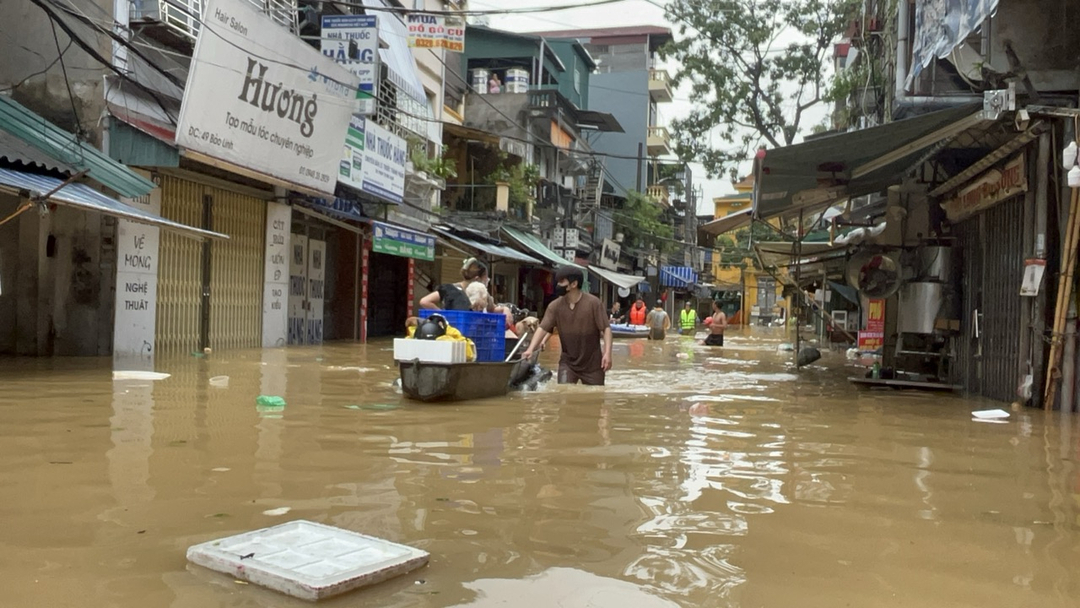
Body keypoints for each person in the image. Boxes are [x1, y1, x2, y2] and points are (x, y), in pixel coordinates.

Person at [522, 266, 612, 385]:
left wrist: (607, 353)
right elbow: (542, 328)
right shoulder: (555, 306)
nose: (558, 285)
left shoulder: (594, 303)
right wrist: (530, 349)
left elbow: (606, 329)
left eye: (562, 282)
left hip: (593, 365)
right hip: (568, 363)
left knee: (594, 400)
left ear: (574, 284)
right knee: (564, 395)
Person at [420, 258, 486, 311]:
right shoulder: (450, 289)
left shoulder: (480, 294)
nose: (486, 281)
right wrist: (443, 315)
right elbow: (424, 301)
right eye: (485, 278)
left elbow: (425, 301)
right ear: (477, 279)